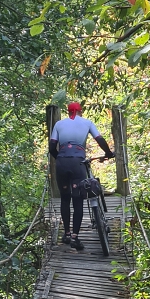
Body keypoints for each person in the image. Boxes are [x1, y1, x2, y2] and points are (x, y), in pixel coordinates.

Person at [48, 101, 114, 251]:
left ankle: (66, 234)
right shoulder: (87, 123)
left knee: (65, 198)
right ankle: (75, 238)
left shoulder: (59, 124)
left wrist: (61, 159)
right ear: (81, 111)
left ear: (68, 112)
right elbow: (99, 139)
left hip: (61, 163)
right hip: (78, 163)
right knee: (78, 199)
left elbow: (52, 147)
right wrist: (108, 153)